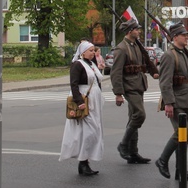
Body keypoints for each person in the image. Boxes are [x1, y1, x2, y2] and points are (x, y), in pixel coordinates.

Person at [155, 23, 188, 181]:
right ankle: (162, 160)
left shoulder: (184, 54)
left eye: (187, 34)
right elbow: (165, 82)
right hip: (176, 100)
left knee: (186, 135)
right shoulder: (169, 55)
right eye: (184, 35)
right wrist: (169, 103)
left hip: (186, 99)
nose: (187, 37)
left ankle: (181, 170)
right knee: (181, 133)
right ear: (175, 37)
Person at [111, 19, 159, 164]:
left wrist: (153, 72)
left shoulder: (136, 46)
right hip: (129, 87)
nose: (139, 31)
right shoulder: (121, 48)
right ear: (130, 31)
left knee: (133, 117)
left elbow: (142, 64)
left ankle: (133, 153)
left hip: (138, 85)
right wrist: (118, 93)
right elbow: (116, 72)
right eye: (137, 29)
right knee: (139, 115)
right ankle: (123, 145)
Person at [59, 41, 104, 176]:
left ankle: (85, 161)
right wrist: (79, 101)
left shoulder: (92, 64)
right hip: (84, 100)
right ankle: (83, 162)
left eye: (93, 50)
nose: (93, 52)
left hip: (94, 101)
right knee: (89, 131)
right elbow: (74, 85)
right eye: (90, 50)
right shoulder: (77, 65)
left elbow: (97, 82)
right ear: (83, 52)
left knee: (94, 130)